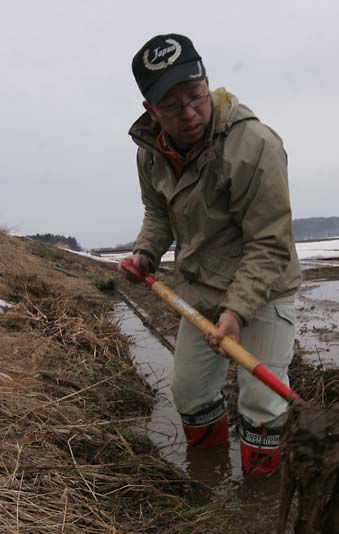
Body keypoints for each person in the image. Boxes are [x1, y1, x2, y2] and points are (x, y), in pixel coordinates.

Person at [120, 33, 302, 476]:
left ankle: (260, 505)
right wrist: (146, 252)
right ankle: (209, 483)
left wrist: (238, 310)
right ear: (151, 110)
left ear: (207, 84)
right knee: (190, 393)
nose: (189, 114)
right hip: (202, 288)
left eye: (195, 97)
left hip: (264, 288)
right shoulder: (151, 154)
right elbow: (158, 212)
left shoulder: (254, 146)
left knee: (262, 404)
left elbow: (268, 242)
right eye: (171, 106)